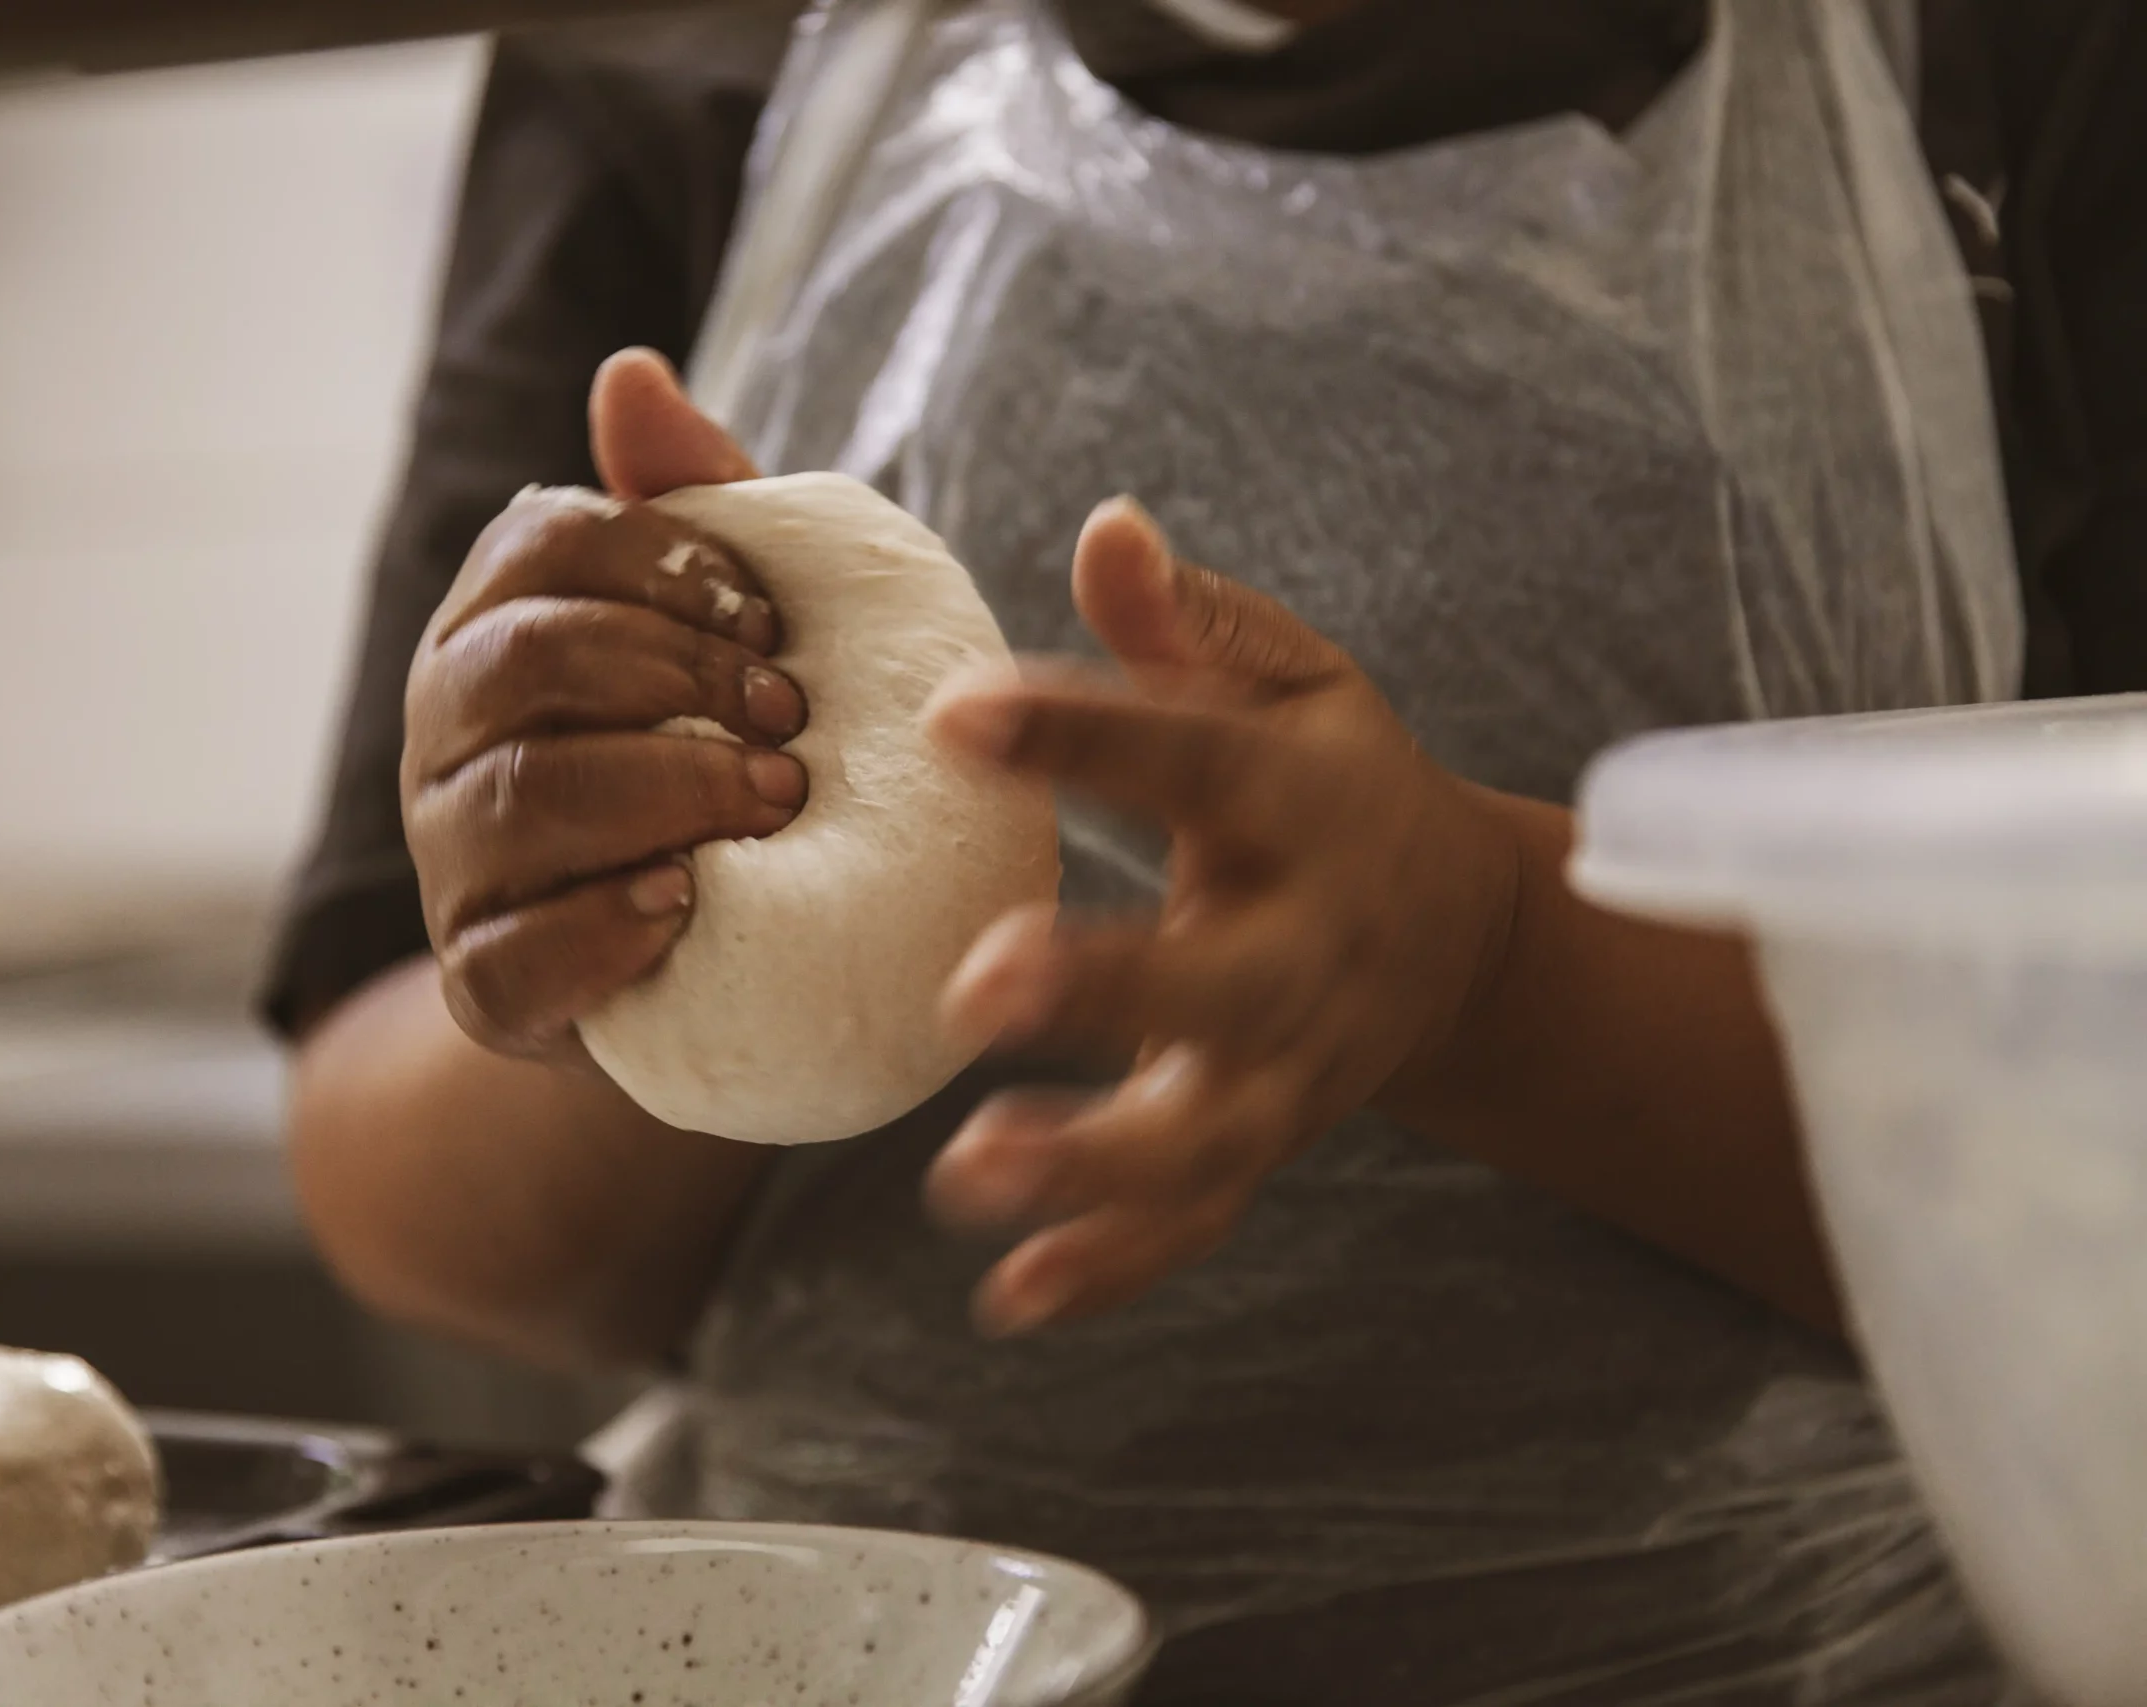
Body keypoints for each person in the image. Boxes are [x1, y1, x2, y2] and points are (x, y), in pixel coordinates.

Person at [265, 0, 2147, 1699]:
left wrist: (1490, 960)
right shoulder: (673, 52)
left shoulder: (2036, 64)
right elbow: (401, 1190)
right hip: (875, 1666)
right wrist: (637, 931)